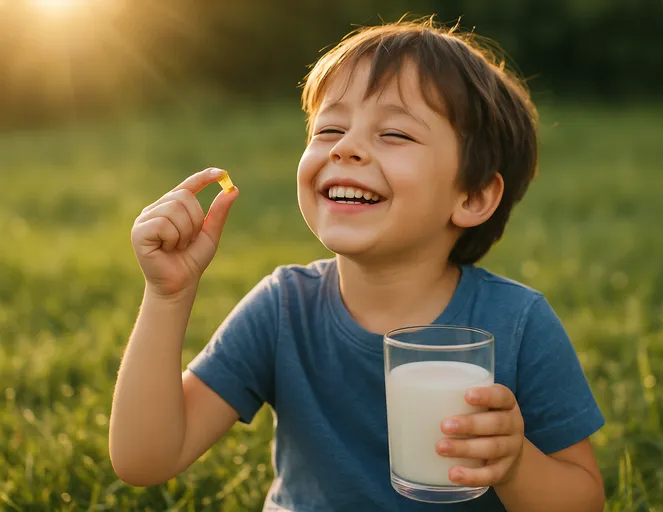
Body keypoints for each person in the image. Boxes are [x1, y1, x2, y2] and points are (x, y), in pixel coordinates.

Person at [109, 17, 606, 512]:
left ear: (473, 196)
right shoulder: (284, 309)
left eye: (393, 133)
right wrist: (167, 295)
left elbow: (584, 500)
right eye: (329, 128)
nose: (345, 147)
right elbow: (145, 459)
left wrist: (516, 463)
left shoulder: (518, 323)